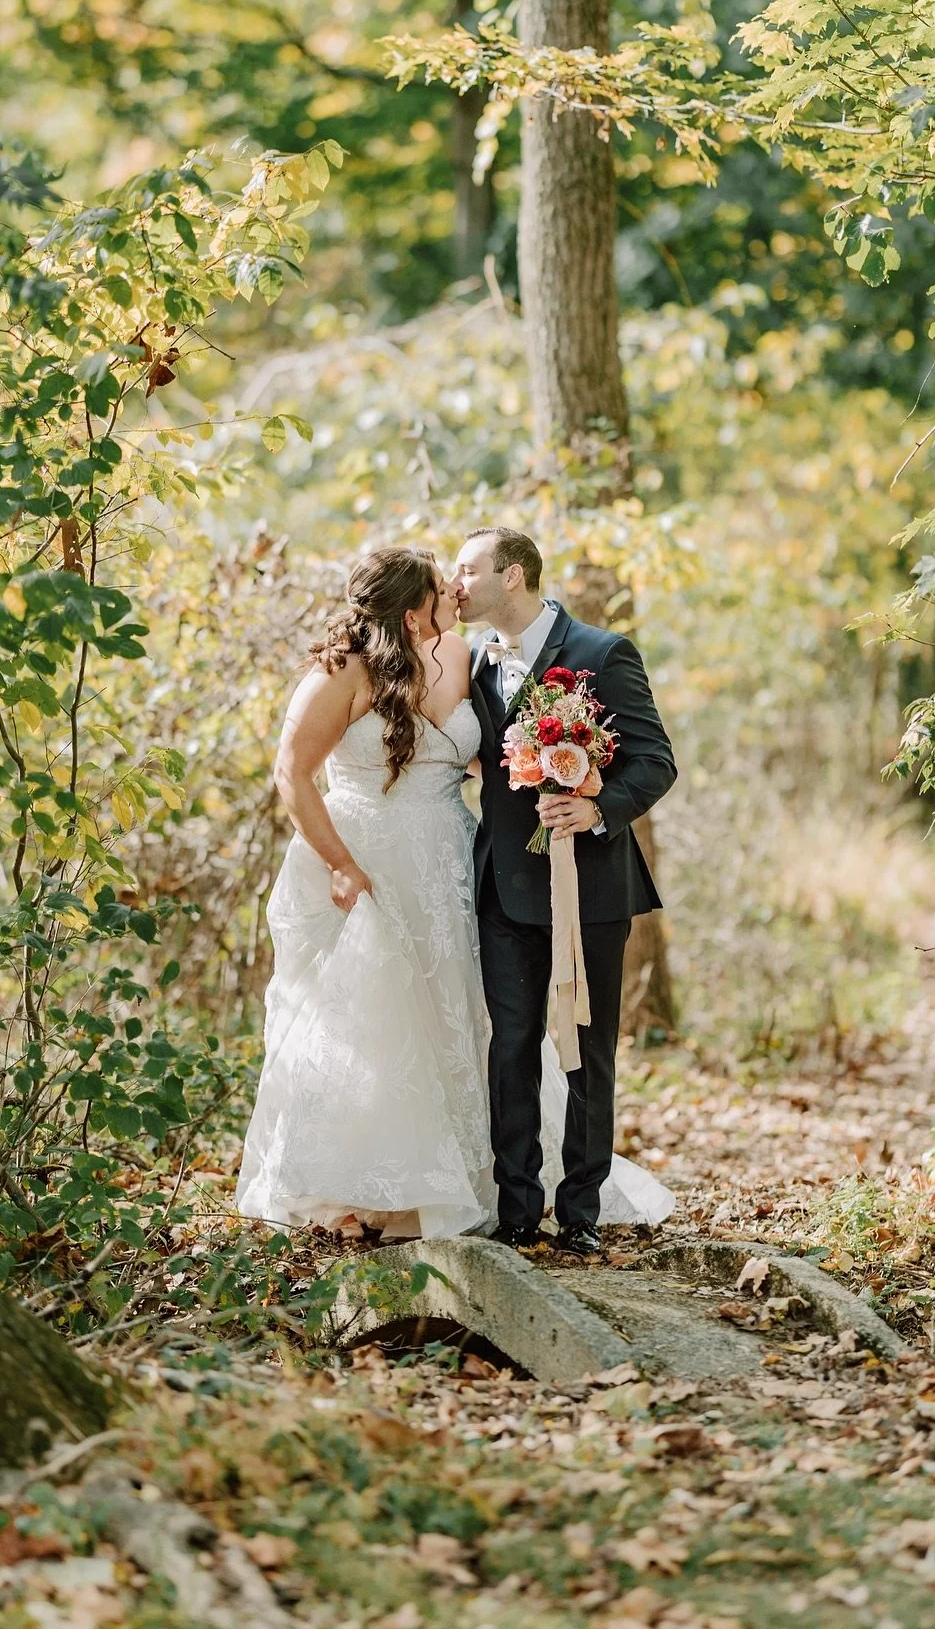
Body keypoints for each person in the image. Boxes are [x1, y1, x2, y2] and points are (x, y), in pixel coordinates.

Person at [236, 545, 671, 1242]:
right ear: (413, 612)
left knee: (466, 1021)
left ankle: (493, 1187)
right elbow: (291, 773)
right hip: (368, 861)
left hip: (453, 864)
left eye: (461, 577)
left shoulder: (467, 659)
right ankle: (369, 1186)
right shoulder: (338, 672)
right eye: (444, 587)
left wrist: (575, 777)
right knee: (371, 1019)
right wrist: (341, 865)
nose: (455, 592)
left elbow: (490, 757)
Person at [452, 527, 678, 1256]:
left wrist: (599, 806)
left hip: (593, 885)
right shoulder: (473, 666)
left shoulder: (602, 654)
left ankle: (580, 1210)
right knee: (510, 1045)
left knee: (589, 1046)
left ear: (511, 576)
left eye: (468, 570)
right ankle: (517, 1211)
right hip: (504, 889)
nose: (456, 584)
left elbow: (655, 760)